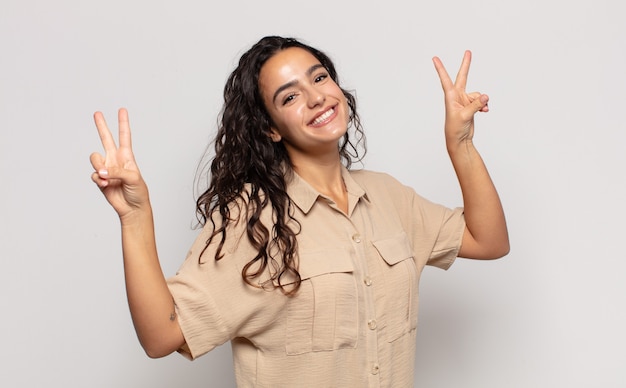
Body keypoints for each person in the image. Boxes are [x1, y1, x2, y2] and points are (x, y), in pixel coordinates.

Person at [90, 36, 509, 387]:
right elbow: (162, 336)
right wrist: (135, 218)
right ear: (271, 128)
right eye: (290, 96)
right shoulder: (251, 220)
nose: (315, 97)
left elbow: (488, 241)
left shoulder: (389, 196)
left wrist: (461, 145)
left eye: (320, 77)